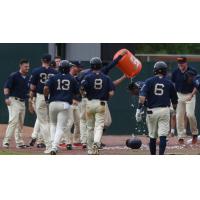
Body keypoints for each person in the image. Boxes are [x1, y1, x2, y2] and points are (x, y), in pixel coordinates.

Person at [78, 50, 128, 148]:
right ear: (100, 65)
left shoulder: (85, 74)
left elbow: (79, 86)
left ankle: (85, 142)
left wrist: (82, 95)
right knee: (101, 123)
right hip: (100, 101)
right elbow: (112, 65)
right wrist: (120, 56)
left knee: (86, 122)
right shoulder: (104, 75)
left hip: (86, 100)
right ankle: (96, 142)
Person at [137, 61, 178, 155]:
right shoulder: (169, 83)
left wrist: (138, 109)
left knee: (152, 136)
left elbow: (142, 97)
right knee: (163, 136)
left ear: (155, 70)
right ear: (165, 71)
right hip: (164, 111)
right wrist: (174, 110)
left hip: (152, 111)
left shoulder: (148, 81)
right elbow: (175, 100)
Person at [44, 60, 79, 155]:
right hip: (64, 104)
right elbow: (77, 92)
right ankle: (54, 147)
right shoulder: (72, 79)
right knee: (60, 127)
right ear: (68, 68)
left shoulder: (53, 77)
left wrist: (46, 98)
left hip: (52, 103)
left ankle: (51, 145)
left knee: (53, 125)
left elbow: (46, 88)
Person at [81, 57, 115, 155]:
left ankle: (90, 149)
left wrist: (84, 95)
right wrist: (106, 97)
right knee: (99, 126)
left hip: (89, 103)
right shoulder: (106, 77)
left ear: (91, 66)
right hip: (101, 103)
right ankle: (96, 142)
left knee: (89, 127)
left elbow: (82, 88)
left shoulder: (87, 76)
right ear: (100, 66)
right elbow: (112, 92)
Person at [29, 54, 58, 154]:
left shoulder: (36, 71)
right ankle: (54, 145)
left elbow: (32, 88)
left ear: (42, 60)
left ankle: (49, 146)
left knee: (43, 122)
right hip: (52, 98)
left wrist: (30, 101)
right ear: (50, 61)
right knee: (52, 123)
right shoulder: (55, 72)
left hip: (41, 97)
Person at [3, 59, 30, 148]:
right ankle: (6, 141)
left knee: (20, 123)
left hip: (22, 102)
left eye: (28, 66)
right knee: (13, 121)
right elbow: (6, 87)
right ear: (21, 66)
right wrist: (7, 98)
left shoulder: (27, 78)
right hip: (13, 100)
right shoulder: (14, 75)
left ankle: (19, 143)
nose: (27, 68)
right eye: (25, 66)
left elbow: (27, 91)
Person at [171, 56, 198, 144]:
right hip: (179, 95)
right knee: (179, 116)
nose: (180, 65)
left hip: (190, 94)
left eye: (182, 63)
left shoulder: (192, 71)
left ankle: (194, 134)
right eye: (179, 63)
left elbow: (197, 85)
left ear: (186, 63)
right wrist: (174, 96)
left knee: (190, 115)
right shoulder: (175, 72)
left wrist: (192, 94)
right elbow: (173, 84)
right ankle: (181, 137)